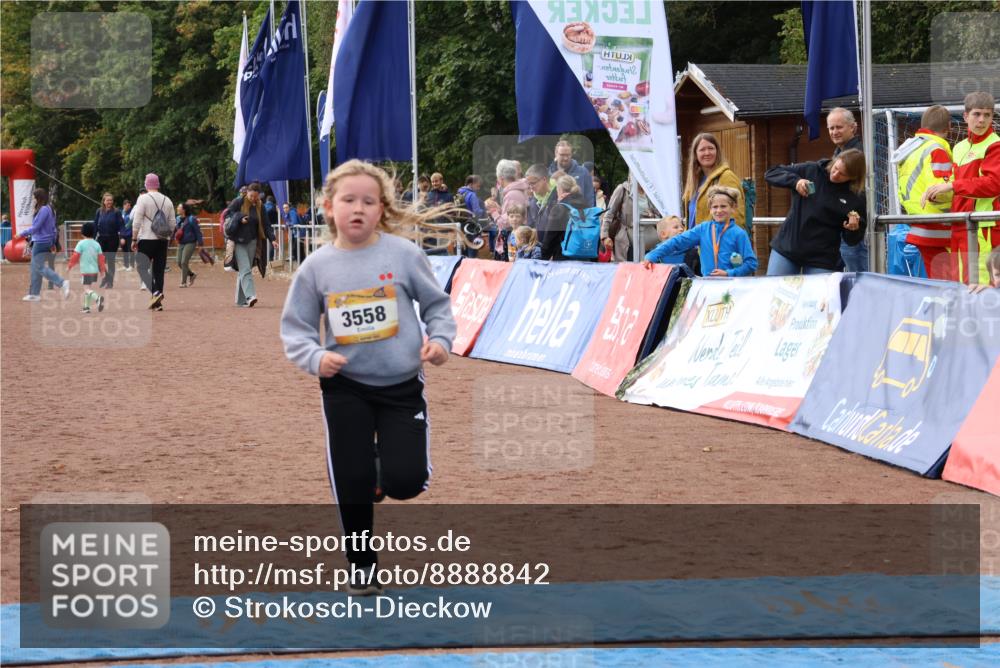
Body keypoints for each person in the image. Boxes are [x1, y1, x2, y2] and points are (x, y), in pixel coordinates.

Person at [280, 159, 455, 595]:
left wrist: (440, 341)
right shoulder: (316, 268)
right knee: (351, 481)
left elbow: (437, 306)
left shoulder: (403, 255)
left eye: (369, 201)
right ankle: (362, 567)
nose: (358, 208)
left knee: (407, 482)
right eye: (348, 200)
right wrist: (315, 357)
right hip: (345, 388)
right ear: (328, 207)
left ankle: (384, 471)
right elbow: (296, 329)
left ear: (382, 210)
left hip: (401, 387)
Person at [923, 91, 1000, 285]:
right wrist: (937, 195)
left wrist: (950, 186)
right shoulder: (958, 148)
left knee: (983, 288)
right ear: (966, 116)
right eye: (976, 114)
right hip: (960, 226)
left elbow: (993, 185)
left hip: (985, 228)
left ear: (992, 117)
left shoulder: (995, 145)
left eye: (987, 115)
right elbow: (958, 189)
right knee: (962, 285)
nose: (981, 120)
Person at [764, 149, 866, 275]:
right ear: (834, 161)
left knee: (818, 295)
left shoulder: (856, 196)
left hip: (822, 258)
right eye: (836, 168)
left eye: (842, 174)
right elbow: (771, 173)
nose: (835, 175)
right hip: (788, 247)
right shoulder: (811, 170)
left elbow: (852, 240)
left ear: (853, 177)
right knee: (775, 291)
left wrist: (853, 228)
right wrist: (796, 182)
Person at [892, 105, 954, 280]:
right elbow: (939, 191)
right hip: (938, 228)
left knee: (938, 284)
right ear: (949, 126)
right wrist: (961, 187)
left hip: (919, 223)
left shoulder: (911, 149)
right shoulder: (937, 150)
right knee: (948, 286)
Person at [643, 187, 757, 276]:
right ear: (710, 209)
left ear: (733, 207)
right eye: (715, 207)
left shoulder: (739, 234)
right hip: (707, 285)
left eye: (723, 206)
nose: (719, 210)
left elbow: (751, 263)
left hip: (731, 286)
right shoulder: (703, 229)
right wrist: (653, 255)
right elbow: (677, 241)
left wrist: (729, 273)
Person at [826, 108, 867, 271]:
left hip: (855, 227)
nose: (834, 132)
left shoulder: (858, 154)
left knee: (859, 278)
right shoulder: (839, 152)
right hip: (844, 226)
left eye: (839, 127)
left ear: (853, 127)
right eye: (831, 128)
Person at [224, 182, 277, 308]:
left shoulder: (261, 206)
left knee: (244, 269)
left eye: (256, 196)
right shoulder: (238, 202)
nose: (253, 199)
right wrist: (240, 218)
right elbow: (228, 214)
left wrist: (273, 239)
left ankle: (240, 300)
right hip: (239, 241)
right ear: (247, 192)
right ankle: (250, 296)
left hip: (253, 242)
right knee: (246, 269)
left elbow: (266, 224)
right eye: (251, 195)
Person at [681, 132, 745, 231]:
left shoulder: (726, 177)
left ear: (717, 151)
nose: (707, 153)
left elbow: (736, 215)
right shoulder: (694, 181)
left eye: (711, 148)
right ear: (695, 154)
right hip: (695, 244)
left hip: (716, 243)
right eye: (702, 149)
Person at [18, 188, 71, 302]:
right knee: (35, 267)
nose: (32, 200)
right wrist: (52, 242)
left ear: (38, 198)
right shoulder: (49, 209)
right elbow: (52, 228)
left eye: (33, 197)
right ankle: (34, 294)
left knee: (38, 267)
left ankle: (62, 282)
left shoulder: (43, 210)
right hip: (44, 241)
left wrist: (21, 234)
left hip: (41, 242)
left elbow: (36, 227)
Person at [131, 174, 174, 310]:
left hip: (147, 238)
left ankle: (155, 293)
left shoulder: (142, 199)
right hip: (162, 240)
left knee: (142, 268)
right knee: (159, 271)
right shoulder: (167, 200)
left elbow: (137, 221)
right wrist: (167, 236)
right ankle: (157, 303)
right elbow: (172, 222)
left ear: (146, 184)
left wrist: (134, 238)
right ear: (158, 184)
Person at [601, 178, 659, 263]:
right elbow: (609, 214)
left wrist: (652, 215)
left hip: (649, 240)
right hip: (627, 240)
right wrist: (605, 236)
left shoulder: (651, 191)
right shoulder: (623, 189)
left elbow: (660, 216)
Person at [489, 160, 530, 261]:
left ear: (501, 179)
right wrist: (499, 209)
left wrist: (493, 212)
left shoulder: (512, 194)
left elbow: (507, 222)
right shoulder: (515, 191)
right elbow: (511, 213)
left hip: (513, 241)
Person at [541, 174, 588, 261]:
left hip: (563, 258)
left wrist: (543, 257)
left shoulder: (559, 208)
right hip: (585, 257)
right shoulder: (586, 206)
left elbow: (550, 237)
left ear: (560, 189)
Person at [68, 222, 106, 313]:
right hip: (94, 271)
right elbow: (101, 259)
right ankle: (86, 307)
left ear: (82, 232)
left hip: (85, 271)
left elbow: (75, 256)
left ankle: (98, 298)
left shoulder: (81, 243)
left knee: (87, 289)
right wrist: (102, 271)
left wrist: (70, 266)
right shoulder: (97, 244)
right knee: (88, 288)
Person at [92, 193, 125, 289]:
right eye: (107, 200)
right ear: (104, 201)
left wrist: (122, 237)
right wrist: (92, 239)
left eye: (111, 200)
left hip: (113, 239)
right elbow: (95, 226)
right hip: (101, 239)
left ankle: (110, 282)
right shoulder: (99, 211)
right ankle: (106, 277)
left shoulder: (116, 212)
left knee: (110, 261)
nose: (109, 202)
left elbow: (121, 225)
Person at [549, 140, 595, 206]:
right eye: (562, 155)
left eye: (568, 155)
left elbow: (590, 198)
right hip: (555, 214)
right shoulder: (548, 174)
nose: (565, 158)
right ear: (556, 153)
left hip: (579, 214)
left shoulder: (583, 172)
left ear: (571, 154)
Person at [176, 202, 203, 287]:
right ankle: (191, 275)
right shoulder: (177, 219)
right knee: (179, 262)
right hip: (181, 243)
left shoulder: (191, 219)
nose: (177, 209)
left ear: (184, 210)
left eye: (179, 207)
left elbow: (198, 232)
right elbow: (175, 231)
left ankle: (183, 283)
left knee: (184, 262)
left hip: (190, 242)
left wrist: (200, 244)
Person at [525, 163, 558, 232]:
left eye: (533, 183)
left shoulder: (559, 197)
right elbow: (530, 227)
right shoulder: (532, 202)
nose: (531, 188)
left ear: (544, 179)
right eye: (529, 184)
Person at [120, 199, 134, 271]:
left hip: (129, 234)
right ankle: (125, 265)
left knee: (130, 249)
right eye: (126, 205)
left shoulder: (132, 213)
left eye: (129, 205)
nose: (128, 206)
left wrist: (124, 227)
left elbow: (130, 224)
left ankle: (131, 265)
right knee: (124, 250)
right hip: (122, 235)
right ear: (123, 205)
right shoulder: (121, 212)